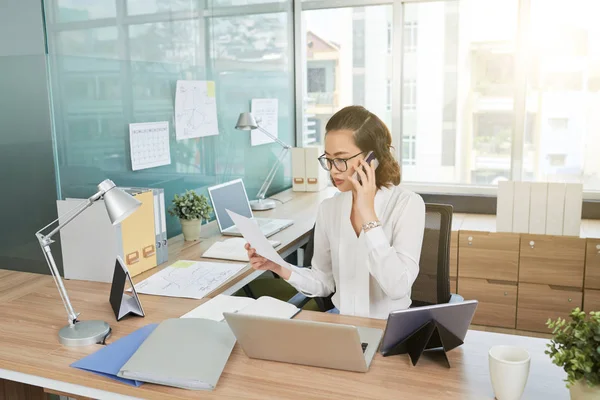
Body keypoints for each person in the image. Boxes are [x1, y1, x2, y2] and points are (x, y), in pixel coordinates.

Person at [245, 105, 425, 319]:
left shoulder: (407, 204)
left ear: (372, 158)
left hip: (389, 326)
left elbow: (397, 288)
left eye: (341, 159)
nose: (332, 170)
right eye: (329, 159)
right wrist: (277, 266)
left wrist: (368, 216)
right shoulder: (329, 208)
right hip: (342, 322)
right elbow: (324, 281)